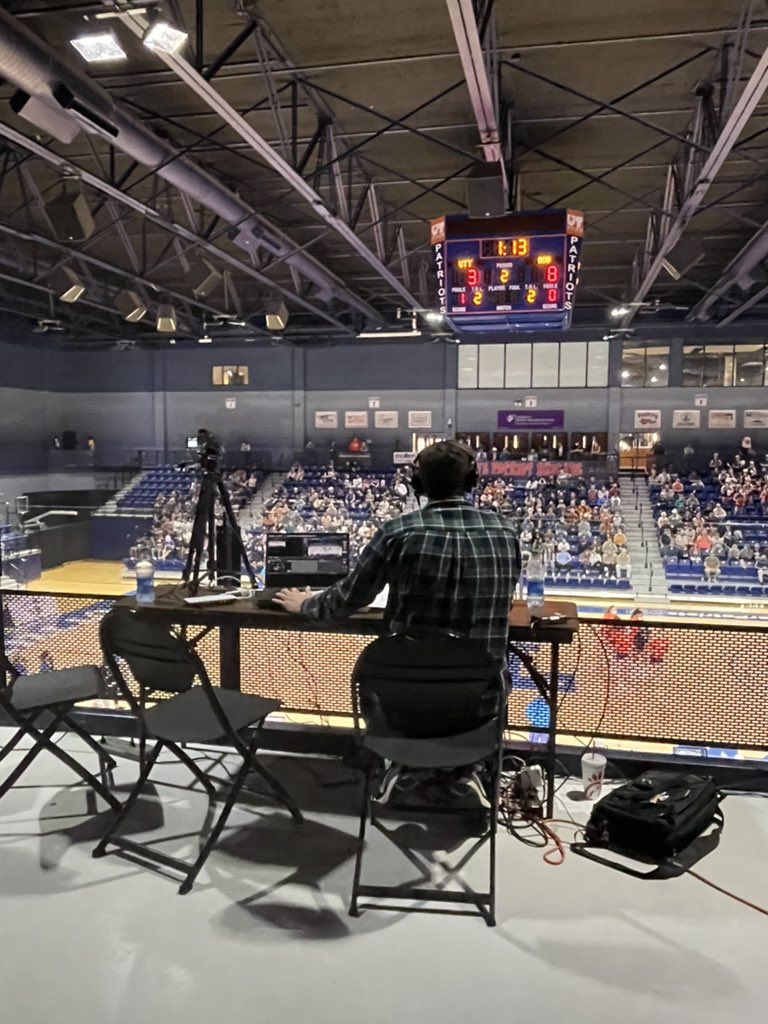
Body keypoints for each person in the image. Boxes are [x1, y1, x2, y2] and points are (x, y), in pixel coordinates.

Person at [275, 440, 521, 669]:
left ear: (419, 483)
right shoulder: (505, 533)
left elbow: (351, 597)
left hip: (406, 685)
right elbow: (504, 601)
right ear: (471, 481)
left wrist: (306, 604)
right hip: (483, 694)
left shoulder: (397, 532)